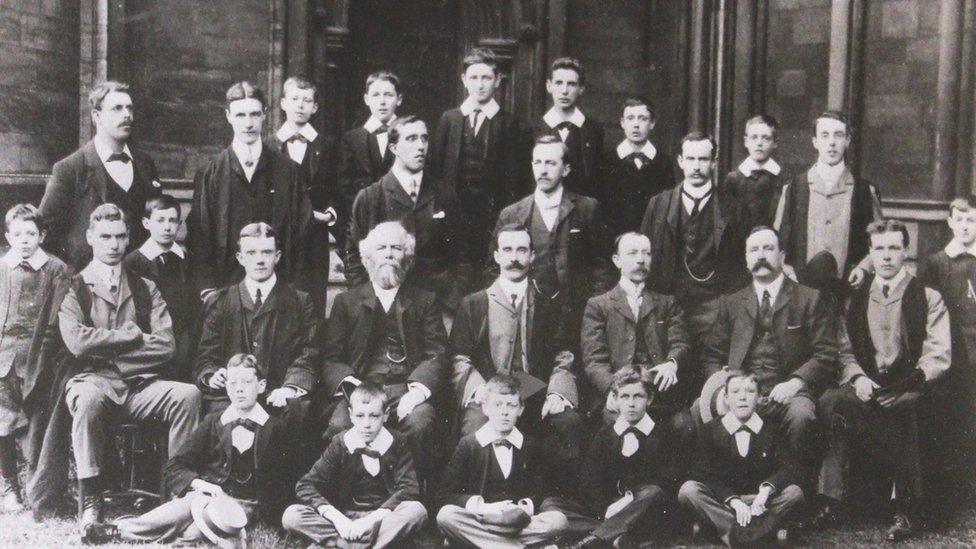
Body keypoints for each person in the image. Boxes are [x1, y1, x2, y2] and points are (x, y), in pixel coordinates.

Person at [57, 204, 201, 537]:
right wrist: (131, 336)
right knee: (88, 399)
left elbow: (166, 345)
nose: (113, 244)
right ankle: (91, 498)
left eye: (120, 236)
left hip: (138, 386)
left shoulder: (144, 286)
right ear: (91, 237)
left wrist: (112, 356)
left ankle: (178, 494)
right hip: (92, 382)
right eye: (105, 236)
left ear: (128, 238)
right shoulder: (75, 287)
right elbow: (77, 342)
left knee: (187, 395)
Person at [817, 220, 950, 542]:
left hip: (911, 388)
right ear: (871, 253)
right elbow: (844, 352)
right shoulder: (856, 300)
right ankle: (831, 500)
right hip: (868, 387)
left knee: (907, 410)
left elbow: (938, 353)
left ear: (906, 251)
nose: (887, 256)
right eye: (879, 249)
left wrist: (909, 384)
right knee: (831, 403)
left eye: (894, 248)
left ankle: (904, 508)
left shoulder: (927, 296)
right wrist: (858, 379)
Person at [82, 354, 299, 545]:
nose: (239, 389)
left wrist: (269, 513)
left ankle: (147, 534)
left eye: (246, 382)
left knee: (194, 531)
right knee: (187, 506)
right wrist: (202, 485)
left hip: (249, 507)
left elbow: (287, 477)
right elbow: (175, 466)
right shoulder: (214, 422)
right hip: (210, 498)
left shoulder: (276, 428)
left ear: (261, 386)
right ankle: (117, 530)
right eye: (233, 383)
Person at [450, 225, 582, 496]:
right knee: (475, 428)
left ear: (532, 256)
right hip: (488, 392)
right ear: (496, 256)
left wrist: (557, 392)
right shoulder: (474, 304)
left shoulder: (548, 303)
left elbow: (563, 354)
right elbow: (460, 357)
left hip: (534, 394)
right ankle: (477, 507)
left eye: (522, 250)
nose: (514, 257)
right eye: (507, 250)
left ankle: (552, 503)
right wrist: (479, 390)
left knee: (567, 423)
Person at [701, 226, 835, 467]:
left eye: (768, 248)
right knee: (698, 410)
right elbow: (713, 354)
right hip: (740, 391)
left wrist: (795, 383)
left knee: (801, 415)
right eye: (754, 250)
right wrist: (722, 391)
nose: (761, 255)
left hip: (789, 391)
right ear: (746, 259)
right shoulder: (732, 303)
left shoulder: (809, 298)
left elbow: (825, 354)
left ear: (782, 257)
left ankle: (794, 489)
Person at [323, 221, 447, 480]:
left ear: (408, 258)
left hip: (406, 389)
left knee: (420, 423)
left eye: (396, 248)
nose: (389, 254)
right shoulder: (346, 302)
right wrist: (353, 390)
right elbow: (332, 358)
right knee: (339, 425)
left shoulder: (425, 300)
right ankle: (351, 496)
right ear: (367, 259)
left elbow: (436, 353)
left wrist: (415, 394)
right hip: (362, 389)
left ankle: (411, 494)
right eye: (381, 248)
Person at [639, 132, 749, 398]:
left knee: (709, 385)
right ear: (680, 161)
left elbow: (740, 268)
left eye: (703, 159)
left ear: (714, 162)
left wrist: (724, 306)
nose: (697, 166)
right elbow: (644, 257)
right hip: (669, 306)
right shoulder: (659, 204)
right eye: (691, 158)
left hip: (714, 309)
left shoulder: (733, 208)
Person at [187, 81, 311, 293]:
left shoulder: (287, 170)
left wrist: (294, 290)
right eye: (240, 116)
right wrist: (208, 289)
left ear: (264, 115)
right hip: (226, 286)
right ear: (228, 116)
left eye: (254, 114)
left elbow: (301, 232)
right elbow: (200, 234)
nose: (248, 124)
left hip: (279, 288)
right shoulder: (211, 172)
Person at [494, 135, 612, 348]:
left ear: (566, 169)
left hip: (576, 317)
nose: (543, 169)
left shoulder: (587, 209)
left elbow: (601, 268)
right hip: (527, 316)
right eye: (538, 162)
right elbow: (494, 269)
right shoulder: (512, 213)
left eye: (550, 163)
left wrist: (593, 311)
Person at [542, 369, 679, 549]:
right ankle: (616, 537)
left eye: (638, 396)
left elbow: (667, 479)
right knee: (551, 504)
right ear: (615, 399)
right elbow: (589, 480)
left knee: (653, 493)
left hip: (642, 510)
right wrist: (606, 509)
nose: (631, 403)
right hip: (610, 510)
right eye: (624, 397)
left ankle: (592, 541)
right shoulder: (605, 434)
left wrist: (628, 499)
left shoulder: (663, 433)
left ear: (649, 399)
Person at [281, 382, 428, 548]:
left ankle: (342, 545)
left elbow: (409, 489)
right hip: (346, 518)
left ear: (386, 415)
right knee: (292, 515)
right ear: (350, 415)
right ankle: (362, 545)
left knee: (416, 510)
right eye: (360, 416)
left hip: (382, 520)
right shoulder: (341, 443)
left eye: (374, 416)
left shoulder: (398, 442)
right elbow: (306, 485)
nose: (366, 424)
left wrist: (369, 521)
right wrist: (338, 519)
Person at [194, 223, 318, 416]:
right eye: (251, 253)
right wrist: (212, 375)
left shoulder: (300, 302)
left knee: (294, 413)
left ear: (277, 257)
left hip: (279, 394)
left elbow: (308, 353)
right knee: (219, 419)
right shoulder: (221, 301)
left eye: (267, 252)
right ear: (240, 258)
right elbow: (206, 356)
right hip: (231, 397)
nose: (260, 260)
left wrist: (290, 388)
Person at [39, 81, 162, 269]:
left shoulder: (145, 164)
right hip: (89, 285)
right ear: (97, 116)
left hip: (141, 282)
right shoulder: (70, 169)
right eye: (117, 109)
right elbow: (45, 233)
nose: (126, 115)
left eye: (129, 108)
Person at [435, 374, 569, 548]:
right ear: (485, 408)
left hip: (519, 524)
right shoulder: (469, 444)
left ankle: (488, 544)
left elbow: (541, 490)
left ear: (520, 409)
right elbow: (446, 494)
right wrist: (484, 508)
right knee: (446, 515)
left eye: (511, 405)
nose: (504, 412)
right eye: (497, 405)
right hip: (482, 520)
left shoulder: (530, 445)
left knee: (559, 521)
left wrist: (523, 507)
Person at [345, 115, 462, 311]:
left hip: (439, 304)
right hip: (386, 307)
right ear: (393, 148)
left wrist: (453, 297)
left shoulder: (444, 193)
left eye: (424, 138)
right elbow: (354, 257)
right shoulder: (371, 197)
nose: (420, 146)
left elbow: (462, 253)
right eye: (411, 138)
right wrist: (371, 303)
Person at [430, 48, 524, 289]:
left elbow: (514, 177)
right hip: (454, 213)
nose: (479, 85)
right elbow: (437, 170)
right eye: (473, 78)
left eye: (486, 78)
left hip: (490, 216)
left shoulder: (508, 123)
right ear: (463, 80)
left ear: (497, 81)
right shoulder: (449, 120)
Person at [678, 371, 804, 547]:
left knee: (794, 493)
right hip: (725, 502)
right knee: (688, 490)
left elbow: (787, 467)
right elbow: (704, 474)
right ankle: (756, 530)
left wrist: (765, 491)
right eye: (736, 392)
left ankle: (730, 531)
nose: (743, 398)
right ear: (726, 399)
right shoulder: (710, 430)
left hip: (759, 502)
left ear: (760, 398)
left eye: (750, 392)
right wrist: (733, 501)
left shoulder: (772, 429)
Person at [0, 205, 71, 512]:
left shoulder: (55, 269)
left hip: (41, 356)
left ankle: (38, 488)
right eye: (17, 234)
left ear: (42, 235)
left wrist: (45, 359)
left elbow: (56, 319)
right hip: (4, 356)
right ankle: (8, 487)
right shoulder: (2, 268)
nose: (25, 240)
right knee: (3, 422)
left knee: (39, 424)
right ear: (7, 236)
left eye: (31, 233)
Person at [581, 232, 692, 427]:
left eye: (646, 253)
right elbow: (594, 361)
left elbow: (680, 342)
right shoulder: (598, 305)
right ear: (617, 260)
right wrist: (613, 391)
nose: (641, 259)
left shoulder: (667, 303)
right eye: (632, 253)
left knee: (684, 426)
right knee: (616, 427)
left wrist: (671, 363)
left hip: (660, 395)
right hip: (618, 395)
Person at [774, 111, 882, 288]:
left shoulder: (864, 191)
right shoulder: (794, 188)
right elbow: (777, 241)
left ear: (847, 141)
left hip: (848, 290)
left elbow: (880, 240)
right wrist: (788, 271)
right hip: (802, 290)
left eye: (838, 135)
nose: (832, 142)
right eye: (825, 135)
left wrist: (863, 268)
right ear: (815, 142)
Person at [918, 194, 976, 492]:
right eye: (960, 219)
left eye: (972, 220)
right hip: (950, 356)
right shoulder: (935, 263)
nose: (965, 227)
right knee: (950, 417)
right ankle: (950, 486)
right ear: (950, 222)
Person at [269, 75, 341, 311]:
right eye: (294, 99)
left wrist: (329, 213)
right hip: (279, 232)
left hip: (314, 233)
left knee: (312, 295)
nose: (300, 105)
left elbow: (336, 185)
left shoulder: (327, 145)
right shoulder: (270, 145)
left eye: (307, 100)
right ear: (283, 103)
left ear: (315, 107)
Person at [122, 195, 199, 382]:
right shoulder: (133, 263)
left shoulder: (186, 260)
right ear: (146, 223)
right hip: (151, 344)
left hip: (184, 343)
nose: (167, 227)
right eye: (160, 220)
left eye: (173, 221)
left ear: (180, 225)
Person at [602, 97, 675, 235]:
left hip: (651, 239)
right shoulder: (607, 161)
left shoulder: (663, 163)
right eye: (630, 118)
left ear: (652, 123)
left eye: (642, 118)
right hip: (615, 240)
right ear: (622, 123)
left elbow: (666, 208)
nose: (636, 124)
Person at [533, 57, 604, 199]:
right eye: (559, 83)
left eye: (571, 84)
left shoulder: (593, 130)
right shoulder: (534, 129)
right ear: (549, 86)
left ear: (581, 89)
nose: (564, 91)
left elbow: (596, 182)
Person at [338, 71, 401, 222]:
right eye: (376, 95)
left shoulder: (411, 134)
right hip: (364, 217)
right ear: (366, 99)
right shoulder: (351, 139)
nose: (382, 101)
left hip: (402, 215)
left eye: (388, 95)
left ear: (399, 99)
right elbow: (345, 184)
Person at [722, 114, 784, 230]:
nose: (759, 143)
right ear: (746, 141)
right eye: (754, 137)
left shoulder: (782, 179)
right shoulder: (734, 180)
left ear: (775, 143)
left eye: (766, 138)